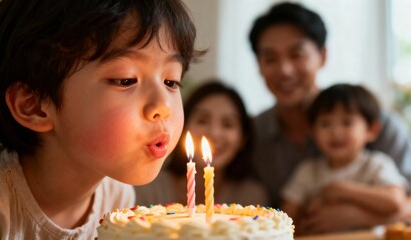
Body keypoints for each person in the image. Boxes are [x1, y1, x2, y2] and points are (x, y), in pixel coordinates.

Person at [0, 0, 203, 238]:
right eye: (126, 80)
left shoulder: (118, 197)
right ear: (35, 106)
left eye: (171, 82)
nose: (163, 106)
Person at [248, 1, 411, 233]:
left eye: (297, 54)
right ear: (259, 66)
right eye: (271, 58)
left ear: (322, 56)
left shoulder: (378, 123)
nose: (285, 69)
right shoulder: (253, 134)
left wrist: (354, 215)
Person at [281, 83, 408, 234]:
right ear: (312, 132)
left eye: (347, 123)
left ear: (371, 130)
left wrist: (343, 190)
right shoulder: (308, 170)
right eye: (325, 124)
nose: (336, 132)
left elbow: (395, 201)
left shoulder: (377, 164)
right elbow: (286, 216)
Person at [135, 81, 268, 206]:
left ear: (243, 138)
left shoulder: (251, 199)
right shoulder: (147, 188)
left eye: (228, 124)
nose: (214, 133)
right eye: (202, 121)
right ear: (182, 126)